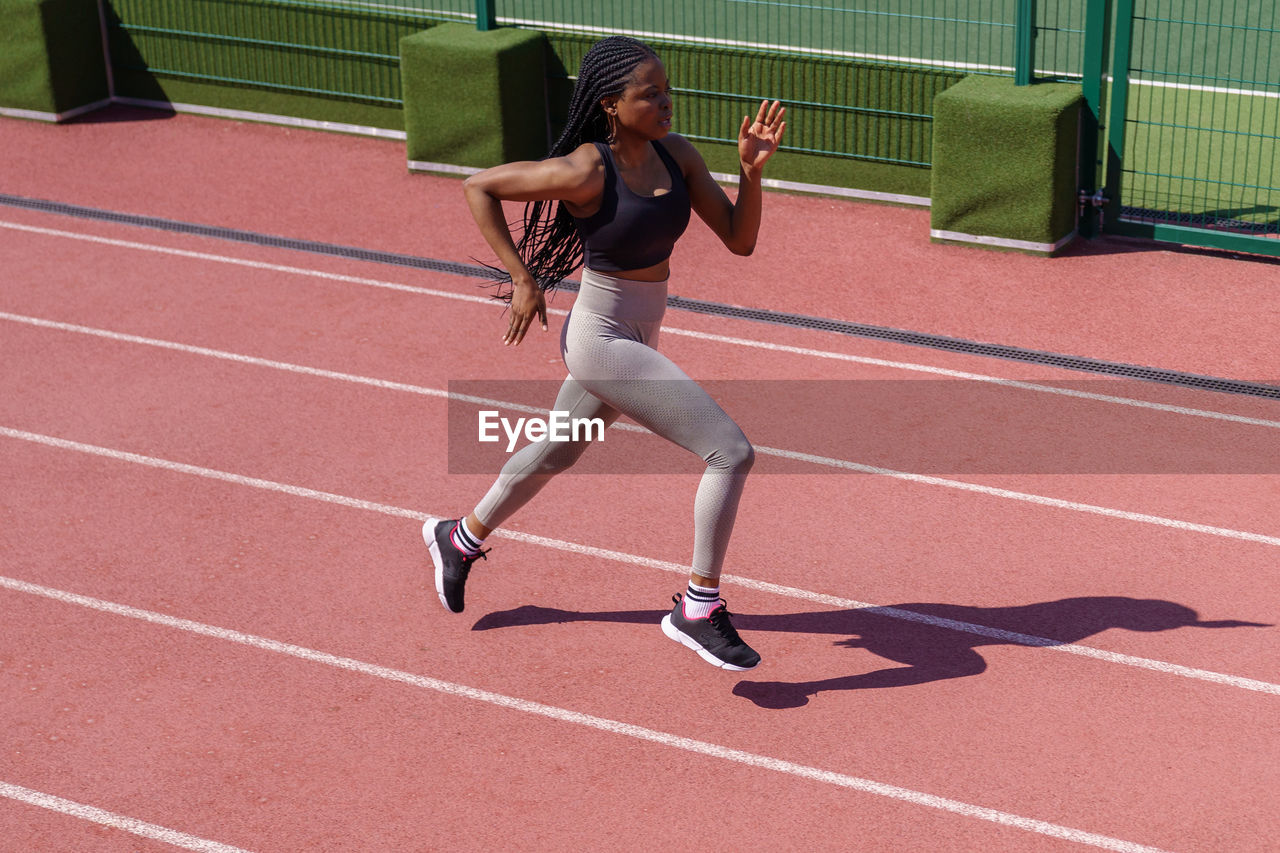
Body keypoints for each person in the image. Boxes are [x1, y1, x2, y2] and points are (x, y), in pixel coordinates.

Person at [425, 35, 786, 671]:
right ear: (612, 105)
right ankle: (698, 607)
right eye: (651, 95)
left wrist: (751, 175)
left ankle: (460, 538)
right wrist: (522, 279)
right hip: (601, 339)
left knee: (555, 452)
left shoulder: (677, 156)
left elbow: (740, 239)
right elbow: (478, 186)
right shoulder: (584, 171)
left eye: (668, 89)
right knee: (731, 452)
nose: (667, 103)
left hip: (641, 331)